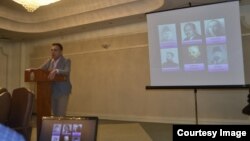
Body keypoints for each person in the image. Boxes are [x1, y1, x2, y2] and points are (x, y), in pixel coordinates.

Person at [40, 43, 72, 116]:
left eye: (55, 50)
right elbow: (39, 70)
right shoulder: (49, 61)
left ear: (61, 52)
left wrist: (56, 70)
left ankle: (61, 127)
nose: (53, 52)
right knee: (54, 114)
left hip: (62, 91)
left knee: (60, 114)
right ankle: (55, 127)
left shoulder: (66, 60)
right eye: (51, 50)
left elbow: (67, 72)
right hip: (52, 91)